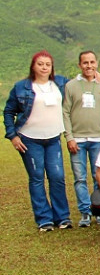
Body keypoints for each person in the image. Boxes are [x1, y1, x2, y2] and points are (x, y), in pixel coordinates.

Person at [5, 50, 71, 231]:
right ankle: (44, 219)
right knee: (36, 178)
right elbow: (9, 111)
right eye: (40, 64)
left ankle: (62, 217)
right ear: (33, 66)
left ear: (52, 67)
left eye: (47, 64)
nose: (44, 67)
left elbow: (80, 83)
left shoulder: (60, 83)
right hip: (29, 139)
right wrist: (13, 135)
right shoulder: (22, 87)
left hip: (53, 138)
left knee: (57, 177)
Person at [63, 50, 100, 227]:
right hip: (78, 140)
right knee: (80, 178)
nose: (89, 66)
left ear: (97, 63)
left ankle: (99, 210)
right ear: (79, 65)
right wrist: (69, 137)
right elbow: (65, 112)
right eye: (85, 63)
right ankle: (85, 212)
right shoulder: (71, 86)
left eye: (92, 62)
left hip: (99, 139)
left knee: (98, 177)